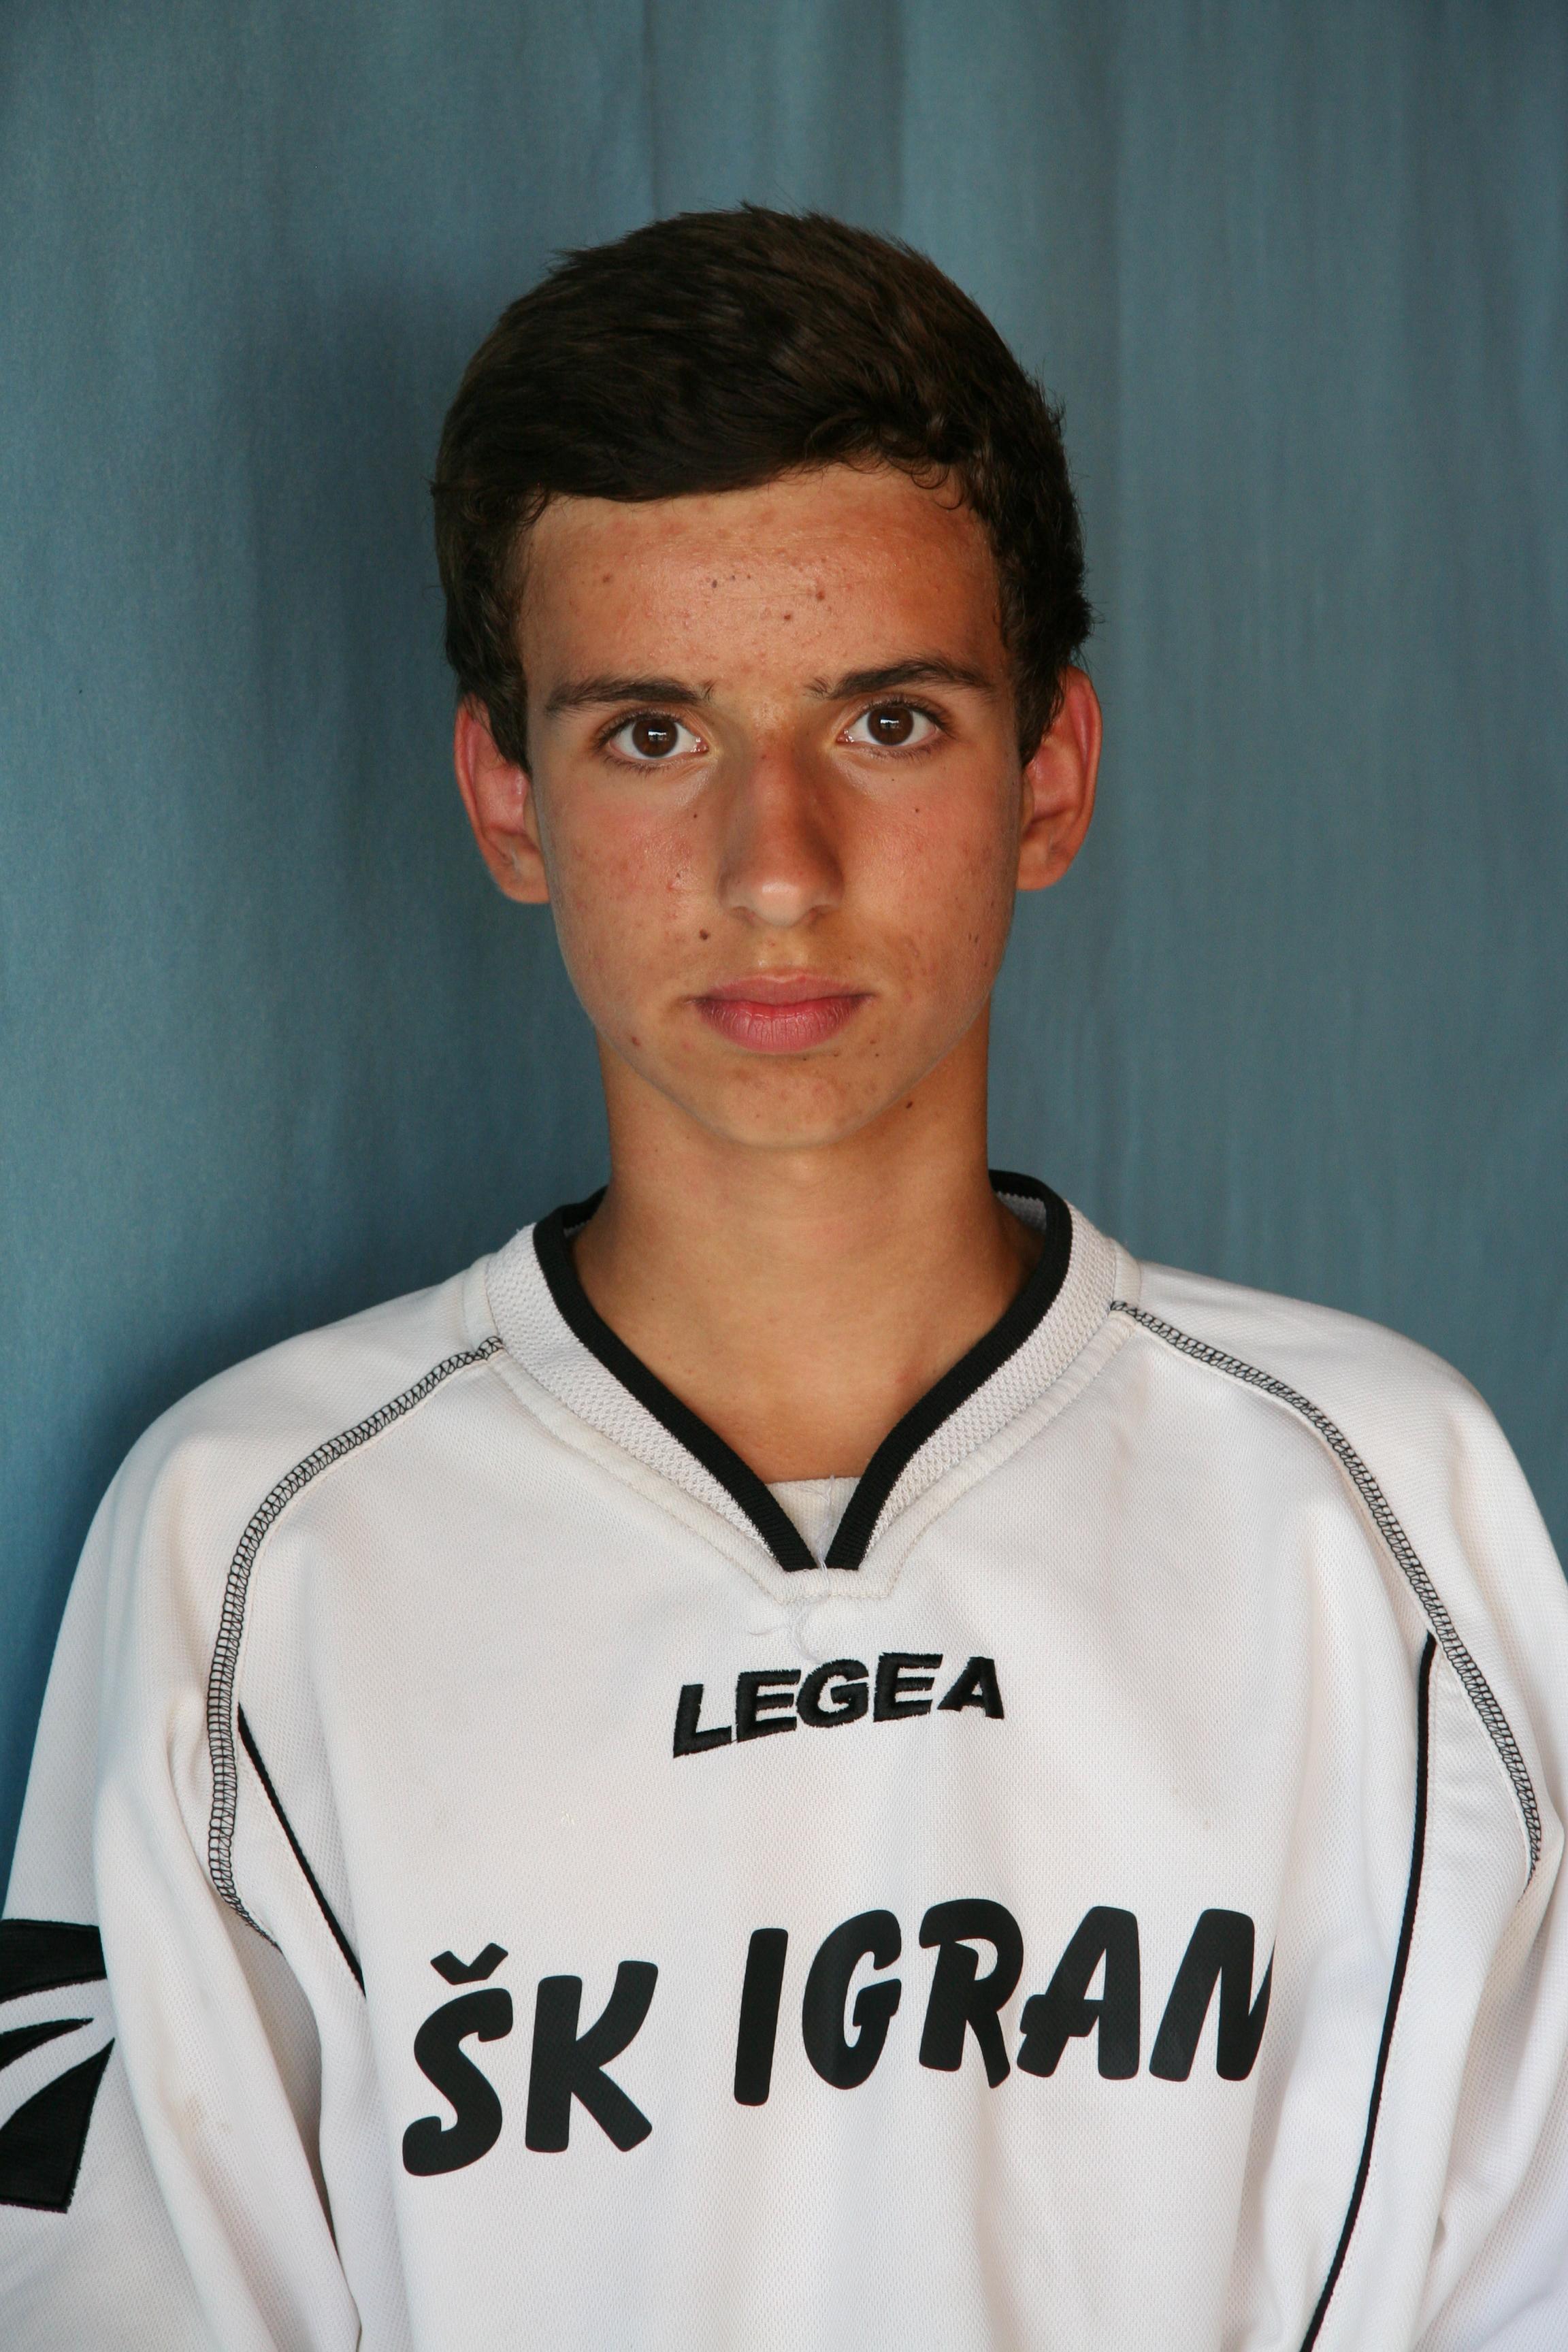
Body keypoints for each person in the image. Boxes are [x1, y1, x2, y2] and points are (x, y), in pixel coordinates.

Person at [3, 206, 1565, 2351]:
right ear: (505, 798)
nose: (774, 869)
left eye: (887, 723)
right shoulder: (249, 1544)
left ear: (1049, 774)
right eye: (652, 734)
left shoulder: (1378, 1514)